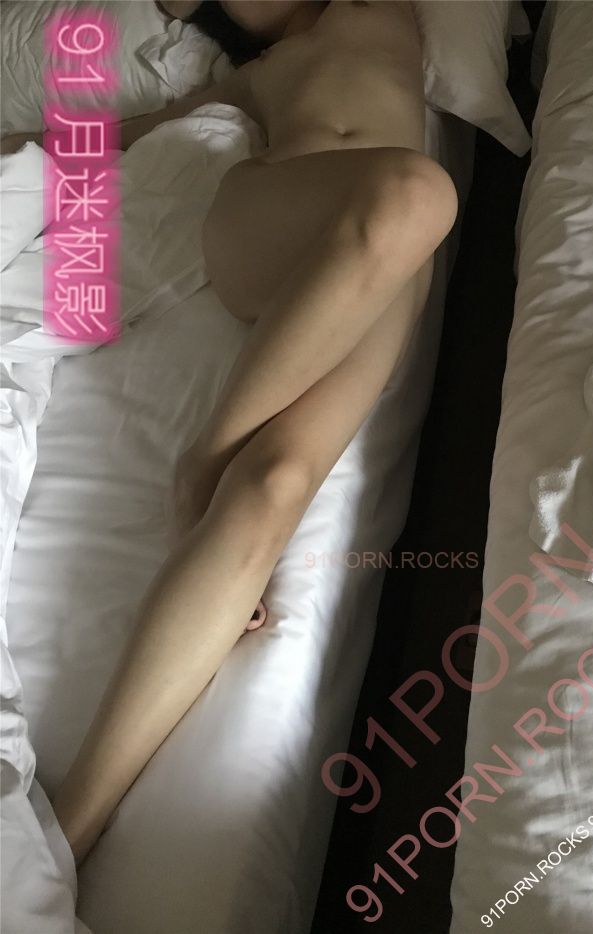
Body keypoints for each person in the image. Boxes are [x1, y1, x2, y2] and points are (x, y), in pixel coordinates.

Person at [9, 0, 458, 864]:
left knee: (271, 491)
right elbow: (102, 139)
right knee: (417, 190)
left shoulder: (387, 13)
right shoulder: (256, 77)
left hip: (383, 256)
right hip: (272, 230)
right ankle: (202, 460)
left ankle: (67, 834)